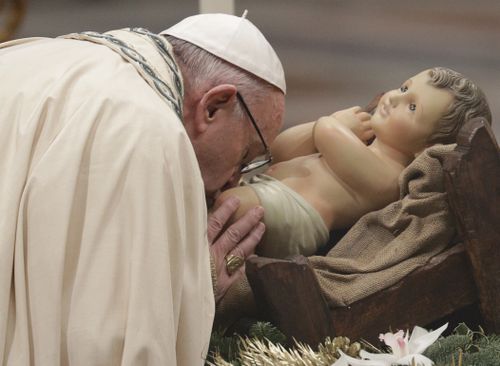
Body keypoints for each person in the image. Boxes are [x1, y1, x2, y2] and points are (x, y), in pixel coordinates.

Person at [0, 13, 285, 365]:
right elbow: (111, 343)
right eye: (245, 155)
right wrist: (188, 288)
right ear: (213, 106)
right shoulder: (149, 134)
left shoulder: (25, 58)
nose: (235, 181)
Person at [216, 67, 491, 259]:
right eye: (404, 87)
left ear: (427, 148)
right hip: (267, 188)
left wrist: (334, 123)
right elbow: (279, 149)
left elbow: (326, 133)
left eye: (412, 107)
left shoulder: (389, 177)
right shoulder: (359, 138)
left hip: (294, 216)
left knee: (224, 206)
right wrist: (326, 127)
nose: (394, 98)